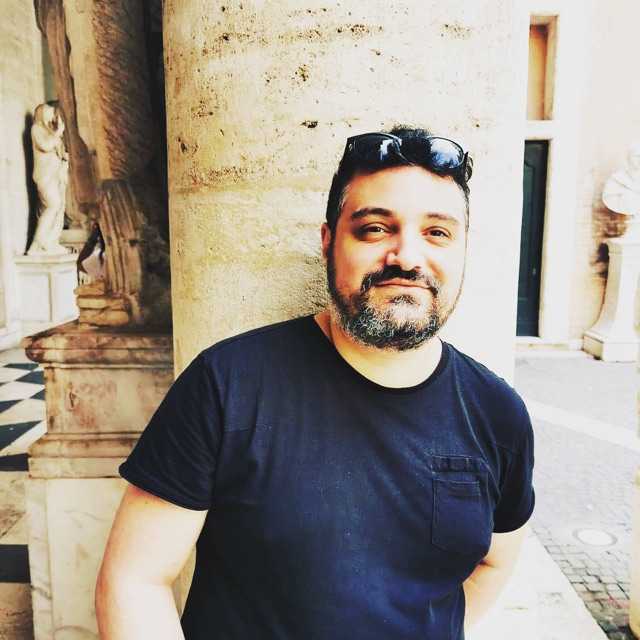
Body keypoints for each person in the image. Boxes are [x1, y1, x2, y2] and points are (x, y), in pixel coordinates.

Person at [96, 126, 535, 640]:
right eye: (375, 229)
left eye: (437, 232)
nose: (407, 257)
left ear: (463, 251)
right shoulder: (228, 385)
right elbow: (135, 581)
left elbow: (494, 562)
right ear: (328, 243)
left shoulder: (497, 413)